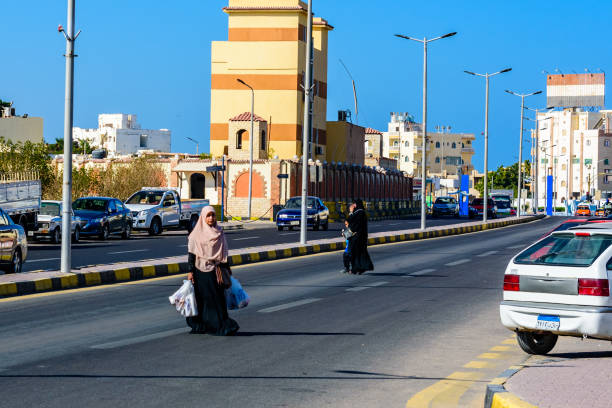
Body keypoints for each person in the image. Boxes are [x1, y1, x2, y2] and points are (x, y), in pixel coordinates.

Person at [186, 206, 239, 336]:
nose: (211, 218)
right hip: (200, 271)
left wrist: (228, 270)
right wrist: (190, 271)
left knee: (217, 299)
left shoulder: (219, 232)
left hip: (216, 271)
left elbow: (224, 253)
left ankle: (220, 325)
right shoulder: (196, 234)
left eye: (213, 215)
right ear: (203, 217)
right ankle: (200, 325)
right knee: (201, 299)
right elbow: (191, 254)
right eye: (208, 216)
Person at [346, 199, 374, 274]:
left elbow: (350, 220)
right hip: (362, 236)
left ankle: (356, 269)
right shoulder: (361, 212)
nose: (353, 206)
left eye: (354, 204)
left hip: (357, 237)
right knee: (360, 253)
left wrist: (351, 212)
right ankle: (360, 268)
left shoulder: (359, 213)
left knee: (354, 253)